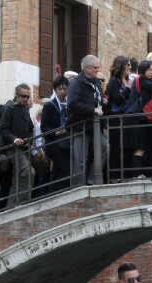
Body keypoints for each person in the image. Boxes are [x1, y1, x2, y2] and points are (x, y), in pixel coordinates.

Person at [66, 54, 108, 185]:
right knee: (80, 158)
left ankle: (91, 179)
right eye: (95, 67)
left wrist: (103, 126)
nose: (97, 70)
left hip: (95, 125)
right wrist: (91, 110)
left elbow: (99, 104)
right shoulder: (76, 82)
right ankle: (78, 187)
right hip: (80, 125)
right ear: (87, 67)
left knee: (104, 147)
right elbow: (72, 103)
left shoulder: (96, 82)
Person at [123, 59, 152, 178]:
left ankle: (136, 174)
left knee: (141, 148)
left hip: (138, 118)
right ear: (142, 70)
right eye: (148, 70)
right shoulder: (142, 79)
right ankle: (136, 175)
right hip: (136, 118)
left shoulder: (141, 80)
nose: (151, 72)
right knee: (140, 148)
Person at [0, 83, 35, 206]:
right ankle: (24, 203)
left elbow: (30, 128)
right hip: (12, 148)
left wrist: (29, 139)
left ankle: (11, 207)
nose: (26, 99)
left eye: (28, 97)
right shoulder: (10, 108)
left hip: (23, 148)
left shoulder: (25, 109)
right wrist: (14, 139)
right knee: (29, 171)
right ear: (17, 95)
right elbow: (3, 129)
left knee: (18, 179)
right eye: (23, 96)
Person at [105, 56, 132, 181]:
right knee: (116, 148)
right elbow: (118, 99)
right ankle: (114, 177)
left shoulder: (127, 80)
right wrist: (128, 89)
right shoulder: (113, 81)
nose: (130, 67)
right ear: (121, 66)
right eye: (128, 65)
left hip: (127, 118)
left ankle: (126, 175)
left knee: (127, 147)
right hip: (115, 118)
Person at [41, 75, 70, 191]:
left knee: (57, 170)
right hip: (53, 144)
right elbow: (44, 126)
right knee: (66, 167)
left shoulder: (69, 104)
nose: (62, 92)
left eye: (65, 89)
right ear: (55, 90)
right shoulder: (49, 105)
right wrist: (55, 132)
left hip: (66, 142)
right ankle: (57, 193)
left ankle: (52, 193)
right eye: (60, 89)